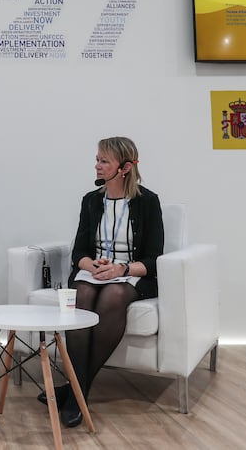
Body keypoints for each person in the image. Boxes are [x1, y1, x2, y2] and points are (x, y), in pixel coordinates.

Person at [48, 137, 164, 428]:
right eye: (97, 159)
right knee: (83, 294)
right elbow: (79, 253)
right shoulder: (91, 200)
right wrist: (93, 265)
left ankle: (75, 392)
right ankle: (78, 389)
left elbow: (153, 258)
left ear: (124, 168)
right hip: (95, 271)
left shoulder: (147, 202)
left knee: (112, 296)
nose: (97, 165)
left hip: (129, 273)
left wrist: (121, 268)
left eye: (104, 160)